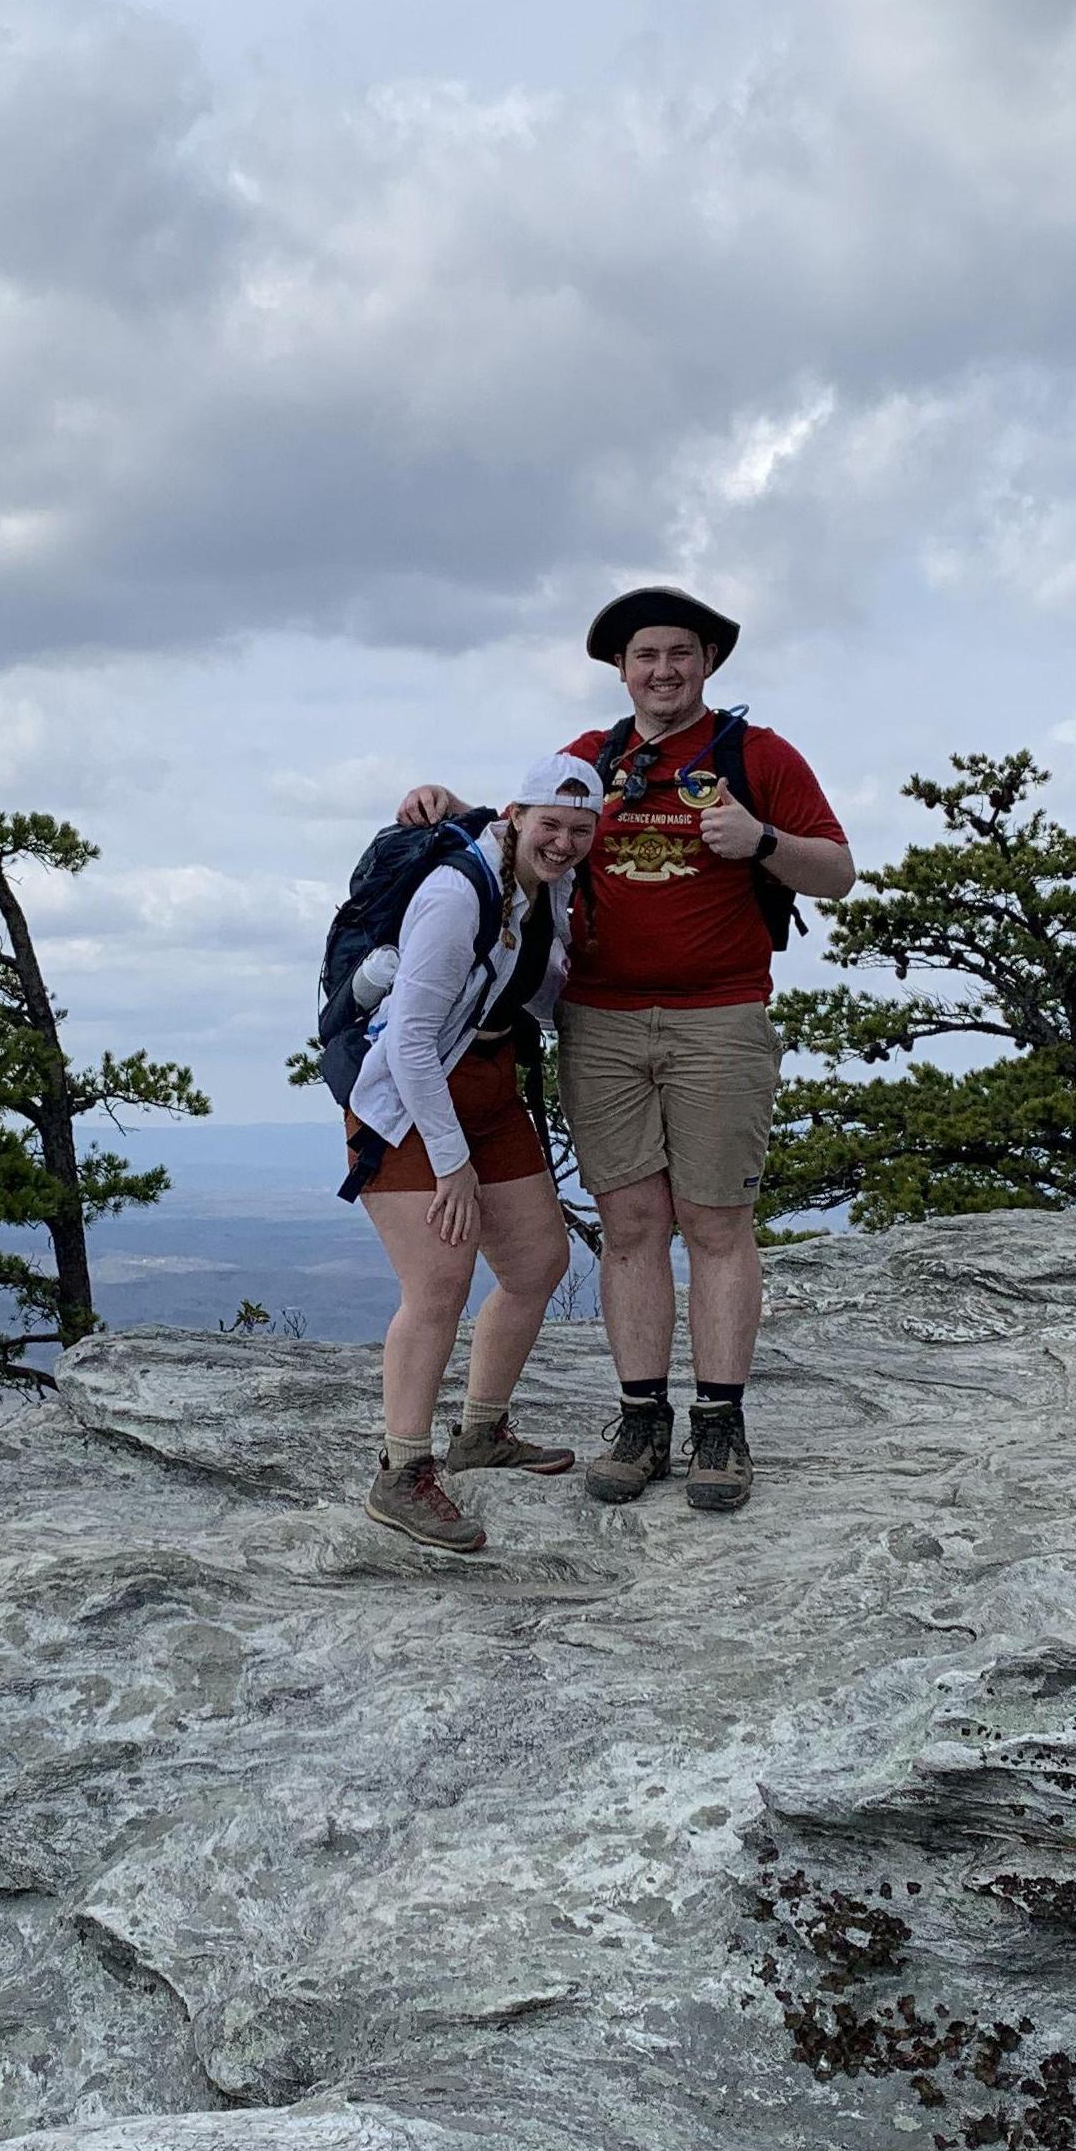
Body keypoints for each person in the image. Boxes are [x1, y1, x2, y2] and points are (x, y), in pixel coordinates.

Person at [397, 588, 853, 1516]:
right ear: (620, 668)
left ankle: (718, 1424)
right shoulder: (592, 758)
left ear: (708, 663)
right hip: (598, 1019)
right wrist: (447, 807)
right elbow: (530, 825)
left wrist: (759, 840)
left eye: (680, 653)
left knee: (715, 1219)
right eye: (645, 654)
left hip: (719, 1015)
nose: (662, 670)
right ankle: (641, 1419)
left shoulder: (755, 756)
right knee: (632, 1223)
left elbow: (837, 872)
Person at [340, 757, 605, 1553]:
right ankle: (401, 1471)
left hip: (487, 1082)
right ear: (515, 816)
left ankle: (481, 1432)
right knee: (439, 1279)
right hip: (407, 1097)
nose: (561, 842)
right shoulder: (457, 894)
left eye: (578, 830)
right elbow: (412, 1040)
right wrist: (451, 1164)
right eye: (548, 825)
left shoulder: (539, 885)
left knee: (534, 1262)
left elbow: (535, 988)